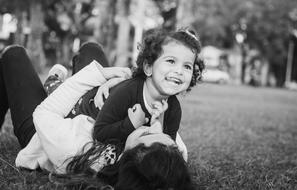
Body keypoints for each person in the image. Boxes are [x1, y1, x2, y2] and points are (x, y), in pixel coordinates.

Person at [0, 43, 195, 189]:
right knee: (91, 48)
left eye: (146, 134)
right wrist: (119, 83)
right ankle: (58, 83)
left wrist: (102, 74)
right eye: (168, 140)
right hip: (91, 109)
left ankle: (55, 83)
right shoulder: (164, 160)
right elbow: (164, 140)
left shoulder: (75, 153)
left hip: (45, 130)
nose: (152, 125)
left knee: (13, 54)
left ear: (126, 157)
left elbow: (46, 112)